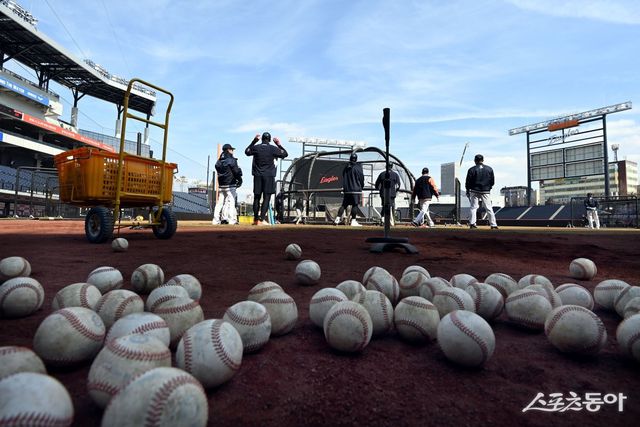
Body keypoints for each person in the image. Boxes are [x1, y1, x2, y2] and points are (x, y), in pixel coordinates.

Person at [245, 132, 288, 225]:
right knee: (266, 197)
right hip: (269, 176)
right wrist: (278, 144)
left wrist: (254, 141)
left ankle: (256, 219)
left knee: (257, 197)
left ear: (261, 139)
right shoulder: (273, 148)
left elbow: (247, 151)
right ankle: (262, 219)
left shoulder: (256, 147)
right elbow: (285, 154)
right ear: (269, 139)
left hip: (257, 175)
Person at [465, 154, 498, 229]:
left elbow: (468, 182)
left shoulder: (471, 169)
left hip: (474, 190)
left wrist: (467, 190)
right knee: (489, 208)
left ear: (475, 161)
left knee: (473, 207)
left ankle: (472, 224)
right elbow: (492, 181)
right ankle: (493, 225)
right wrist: (489, 187)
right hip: (485, 190)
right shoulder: (489, 169)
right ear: (483, 160)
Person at [212, 143, 242, 225]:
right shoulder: (231, 160)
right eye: (232, 149)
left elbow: (217, 168)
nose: (232, 151)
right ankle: (232, 220)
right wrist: (240, 179)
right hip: (230, 184)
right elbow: (236, 171)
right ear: (228, 150)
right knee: (231, 202)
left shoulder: (219, 161)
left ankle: (215, 220)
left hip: (221, 185)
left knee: (219, 203)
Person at [334, 152, 364, 226]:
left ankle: (337, 218)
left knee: (344, 205)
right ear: (356, 159)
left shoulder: (346, 167)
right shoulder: (357, 167)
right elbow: (361, 178)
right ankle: (353, 221)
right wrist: (361, 186)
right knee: (355, 205)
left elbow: (343, 176)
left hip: (347, 189)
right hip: (355, 189)